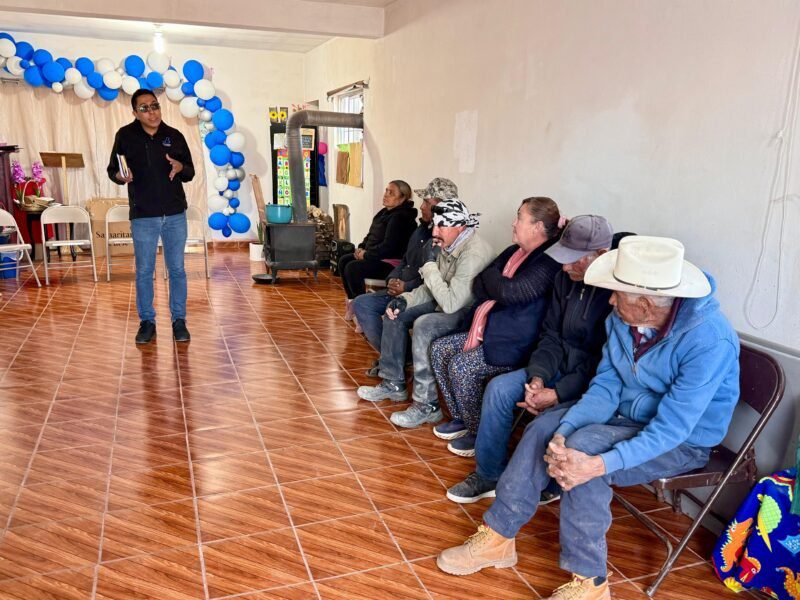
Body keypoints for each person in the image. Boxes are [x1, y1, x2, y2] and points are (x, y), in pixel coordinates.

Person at [436, 236, 740, 600]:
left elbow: (672, 428)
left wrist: (598, 463)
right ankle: (498, 537)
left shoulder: (708, 340)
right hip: (620, 416)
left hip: (682, 441)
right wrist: (563, 430)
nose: (610, 301)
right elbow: (606, 388)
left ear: (644, 304)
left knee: (582, 459)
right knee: (542, 431)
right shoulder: (624, 320)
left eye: (617, 294)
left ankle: (590, 582)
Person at [445, 215, 620, 502]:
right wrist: (538, 377)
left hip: (588, 382)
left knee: (549, 417)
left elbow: (602, 363)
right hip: (554, 368)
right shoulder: (567, 279)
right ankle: (488, 474)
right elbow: (551, 335)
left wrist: (558, 393)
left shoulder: (615, 296)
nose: (564, 266)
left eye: (574, 259)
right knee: (500, 389)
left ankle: (546, 485)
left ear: (601, 256)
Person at [429, 197, 563, 457]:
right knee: (440, 349)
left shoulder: (548, 260)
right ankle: (462, 418)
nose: (513, 223)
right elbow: (481, 283)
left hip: (517, 342)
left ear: (536, 227)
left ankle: (479, 433)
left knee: (461, 366)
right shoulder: (514, 252)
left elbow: (512, 292)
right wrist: (498, 284)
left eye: (519, 218)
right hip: (491, 329)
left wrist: (497, 283)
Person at [356, 196, 494, 429]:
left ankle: (427, 405)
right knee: (395, 311)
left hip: (466, 311)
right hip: (443, 299)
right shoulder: (447, 241)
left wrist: (429, 265)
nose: (435, 231)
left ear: (460, 227)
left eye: (442, 225)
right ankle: (393, 382)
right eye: (435, 224)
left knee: (424, 324)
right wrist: (404, 300)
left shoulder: (474, 253)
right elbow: (431, 289)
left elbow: (451, 303)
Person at [107, 89, 195, 345]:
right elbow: (113, 169)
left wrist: (180, 167)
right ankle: (147, 322)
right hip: (143, 214)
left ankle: (179, 320)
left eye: (154, 106)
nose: (151, 112)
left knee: (177, 270)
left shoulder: (174, 136)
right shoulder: (125, 136)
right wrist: (120, 176)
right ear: (135, 112)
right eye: (144, 108)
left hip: (174, 213)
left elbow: (189, 172)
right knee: (145, 271)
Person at [351, 185, 447, 363]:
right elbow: (405, 260)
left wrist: (406, 287)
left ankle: (394, 360)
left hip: (421, 295)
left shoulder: (443, 238)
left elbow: (436, 276)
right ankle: (396, 357)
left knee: (393, 312)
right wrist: (392, 279)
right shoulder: (421, 230)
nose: (422, 206)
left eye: (427, 202)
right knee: (362, 304)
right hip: (400, 287)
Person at [340, 180, 418, 317]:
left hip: (390, 263)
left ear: (402, 198)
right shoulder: (384, 212)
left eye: (391, 193)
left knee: (353, 268)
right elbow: (370, 235)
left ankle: (362, 311)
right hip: (376, 256)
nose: (386, 195)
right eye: (386, 191)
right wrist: (361, 248)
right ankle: (353, 303)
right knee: (344, 261)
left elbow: (388, 248)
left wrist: (366, 255)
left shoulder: (401, 217)